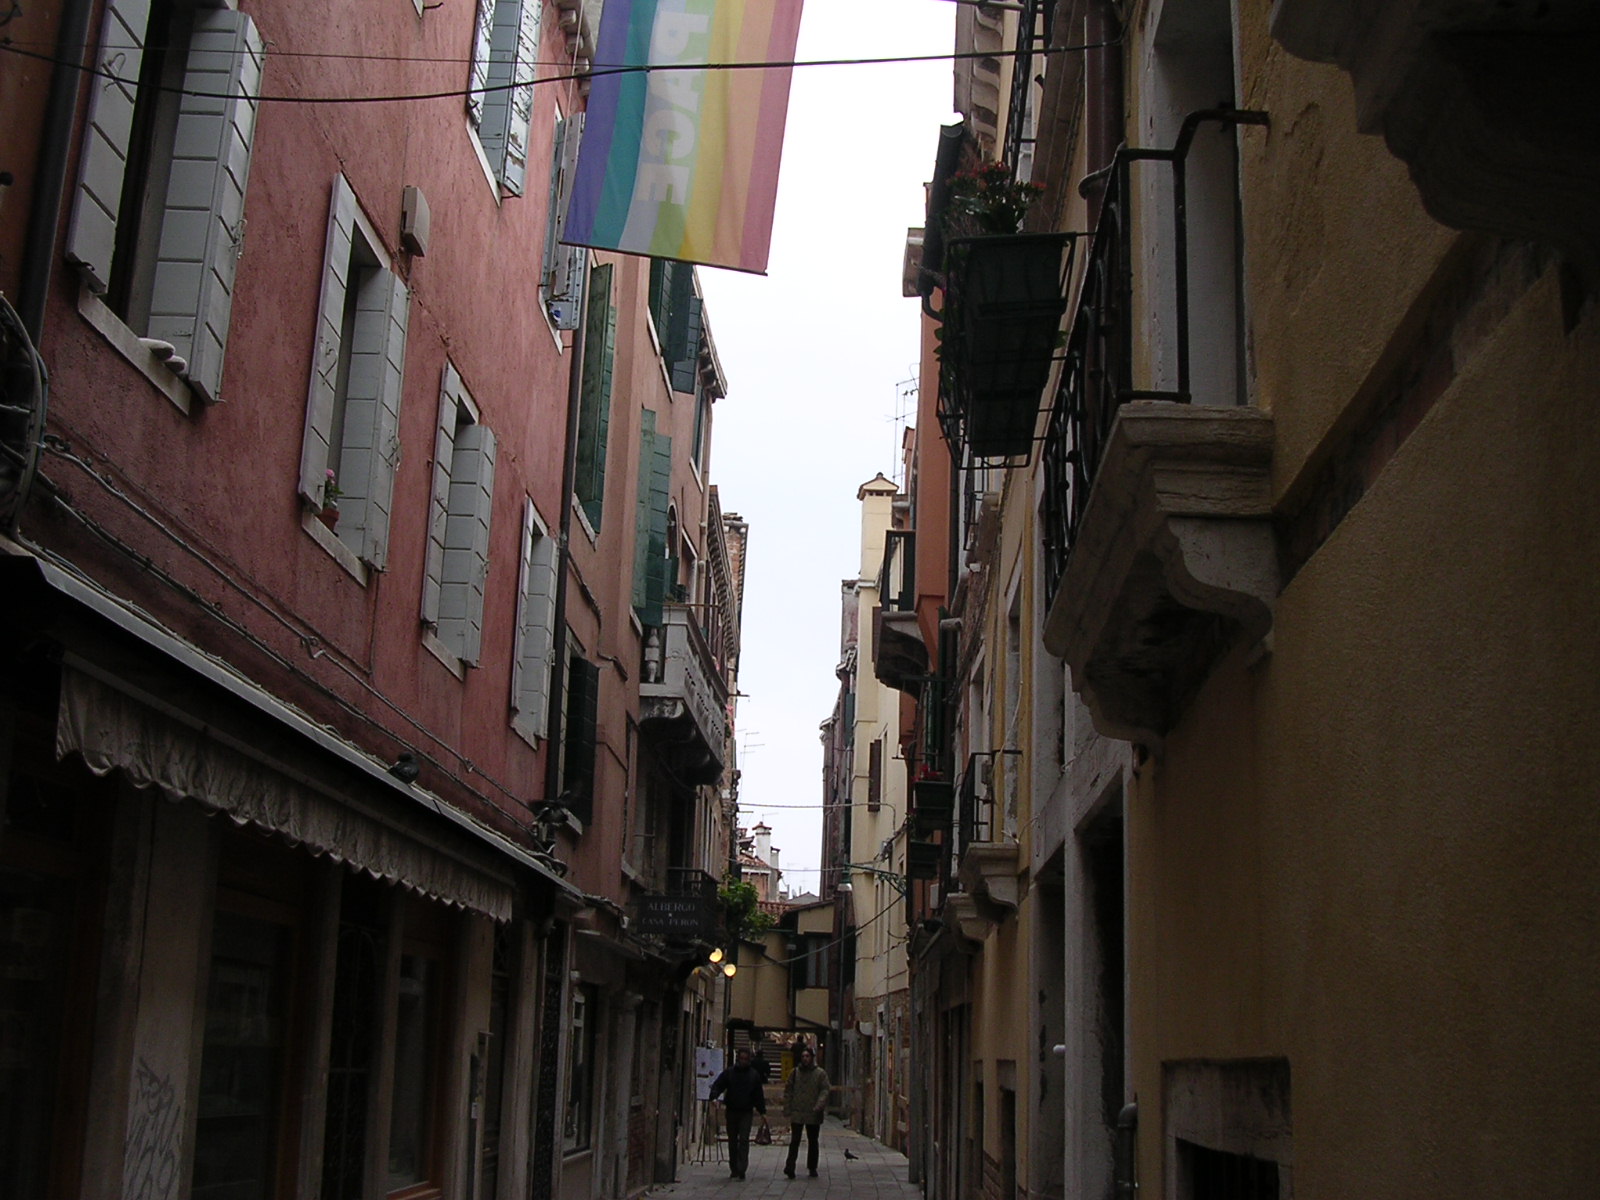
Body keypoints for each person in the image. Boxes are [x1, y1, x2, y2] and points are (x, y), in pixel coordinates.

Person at [708, 1048, 767, 1180]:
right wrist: (714, 1097)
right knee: (733, 1140)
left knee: (744, 1139)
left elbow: (758, 1094)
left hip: (746, 1111)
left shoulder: (753, 1075)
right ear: (738, 1059)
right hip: (732, 1110)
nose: (744, 1061)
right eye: (742, 1059)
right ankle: (734, 1167)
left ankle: (742, 1168)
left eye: (746, 1059)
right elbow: (719, 1085)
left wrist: (762, 1111)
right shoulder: (730, 1073)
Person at [781, 1046, 830, 1178]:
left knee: (813, 1141)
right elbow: (788, 1090)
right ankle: (790, 1166)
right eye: (803, 1056)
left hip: (813, 1112)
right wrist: (787, 1108)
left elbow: (825, 1090)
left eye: (807, 1056)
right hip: (797, 1111)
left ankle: (812, 1167)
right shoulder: (795, 1073)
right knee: (795, 1140)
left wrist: (819, 1105)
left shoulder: (820, 1074)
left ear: (812, 1058)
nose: (805, 1059)